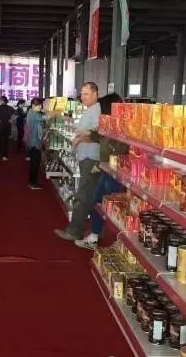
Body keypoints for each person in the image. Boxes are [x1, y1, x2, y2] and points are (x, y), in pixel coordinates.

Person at [75, 93, 127, 250]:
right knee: (99, 202)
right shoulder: (110, 125)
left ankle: (119, 242)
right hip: (107, 170)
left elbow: (117, 151)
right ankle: (95, 235)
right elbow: (100, 137)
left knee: (115, 208)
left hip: (115, 174)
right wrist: (84, 136)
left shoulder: (121, 127)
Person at [54, 82, 102, 242]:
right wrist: (66, 119)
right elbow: (83, 128)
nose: (83, 97)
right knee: (86, 194)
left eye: (86, 94)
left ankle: (74, 231)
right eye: (82, 94)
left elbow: (97, 135)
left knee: (84, 195)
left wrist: (80, 139)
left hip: (90, 158)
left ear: (95, 94)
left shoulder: (96, 111)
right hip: (86, 157)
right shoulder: (90, 110)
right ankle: (89, 229)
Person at [25, 97, 44, 189]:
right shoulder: (33, 114)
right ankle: (32, 183)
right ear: (33, 105)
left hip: (33, 141)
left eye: (41, 106)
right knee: (35, 163)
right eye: (38, 106)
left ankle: (33, 182)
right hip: (34, 142)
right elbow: (44, 117)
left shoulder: (32, 112)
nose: (40, 107)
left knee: (35, 163)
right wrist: (55, 113)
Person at [0, 96, 14, 161]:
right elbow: (17, 113)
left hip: (1, 126)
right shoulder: (10, 108)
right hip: (7, 126)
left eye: (0, 100)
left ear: (2, 100)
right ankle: (5, 156)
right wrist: (11, 119)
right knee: (6, 141)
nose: (0, 101)